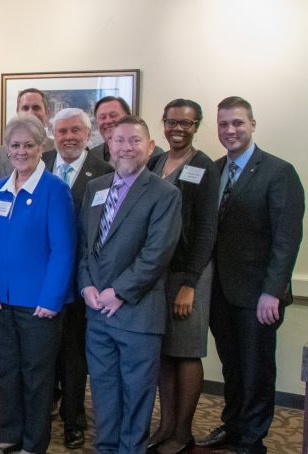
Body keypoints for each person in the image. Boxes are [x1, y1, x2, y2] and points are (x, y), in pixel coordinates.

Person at [197, 97, 305, 454]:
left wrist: (273, 291)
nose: (230, 130)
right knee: (232, 366)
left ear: (253, 124)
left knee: (257, 369)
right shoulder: (214, 171)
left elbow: (287, 237)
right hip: (220, 292)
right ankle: (232, 426)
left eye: (238, 123)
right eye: (224, 124)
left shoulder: (279, 171)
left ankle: (252, 438)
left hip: (259, 295)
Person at [78, 115, 181, 453]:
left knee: (136, 393)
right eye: (119, 140)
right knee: (104, 390)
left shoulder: (165, 194)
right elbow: (84, 246)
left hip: (137, 314)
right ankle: (106, 448)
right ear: (109, 144)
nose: (126, 147)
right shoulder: (96, 188)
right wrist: (86, 285)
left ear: (150, 147)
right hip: (97, 313)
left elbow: (157, 253)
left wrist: (119, 292)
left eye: (134, 141)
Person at [0, 115, 76, 454]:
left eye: (29, 145)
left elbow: (64, 251)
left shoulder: (54, 190)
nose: (21, 152)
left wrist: (51, 299)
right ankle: (10, 436)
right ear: (7, 149)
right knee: (8, 373)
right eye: (15, 145)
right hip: (2, 300)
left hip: (40, 304)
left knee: (37, 379)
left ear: (42, 148)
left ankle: (33, 445)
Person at [143, 99, 218, 454]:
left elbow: (206, 229)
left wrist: (189, 282)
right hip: (159, 273)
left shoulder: (204, 167)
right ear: (163, 123)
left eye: (186, 124)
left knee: (186, 352)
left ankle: (183, 433)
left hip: (190, 275)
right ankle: (166, 425)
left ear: (196, 126)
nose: (177, 129)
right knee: (164, 352)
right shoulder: (156, 161)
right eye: (172, 122)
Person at [42, 108, 113, 450]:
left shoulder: (105, 172)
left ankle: (74, 420)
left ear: (89, 135)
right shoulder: (37, 162)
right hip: (40, 277)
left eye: (75, 131)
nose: (68, 137)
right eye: (61, 131)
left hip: (82, 279)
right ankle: (38, 414)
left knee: (73, 355)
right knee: (42, 351)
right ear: (52, 134)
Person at [0, 88, 52, 179]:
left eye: (36, 108)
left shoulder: (57, 150)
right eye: (25, 108)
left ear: (47, 113)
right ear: (17, 112)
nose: (30, 112)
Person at [91, 96, 164, 164]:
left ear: (128, 116)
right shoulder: (92, 155)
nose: (108, 121)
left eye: (113, 115)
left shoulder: (154, 154)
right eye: (102, 117)